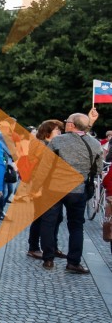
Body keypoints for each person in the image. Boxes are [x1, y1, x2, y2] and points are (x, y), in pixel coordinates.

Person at [33, 113, 102, 273]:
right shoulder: (95, 144)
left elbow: (45, 165)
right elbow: (97, 169)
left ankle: (48, 259)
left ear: (71, 125)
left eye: (67, 122)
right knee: (76, 226)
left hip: (54, 187)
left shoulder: (58, 141)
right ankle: (73, 262)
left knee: (48, 223)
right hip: (78, 189)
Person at [26, 120, 65, 260]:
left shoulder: (53, 145)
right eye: (57, 131)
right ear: (47, 132)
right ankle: (34, 247)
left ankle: (52, 246)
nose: (60, 133)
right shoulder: (39, 146)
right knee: (40, 218)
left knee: (57, 217)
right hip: (41, 187)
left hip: (53, 187)